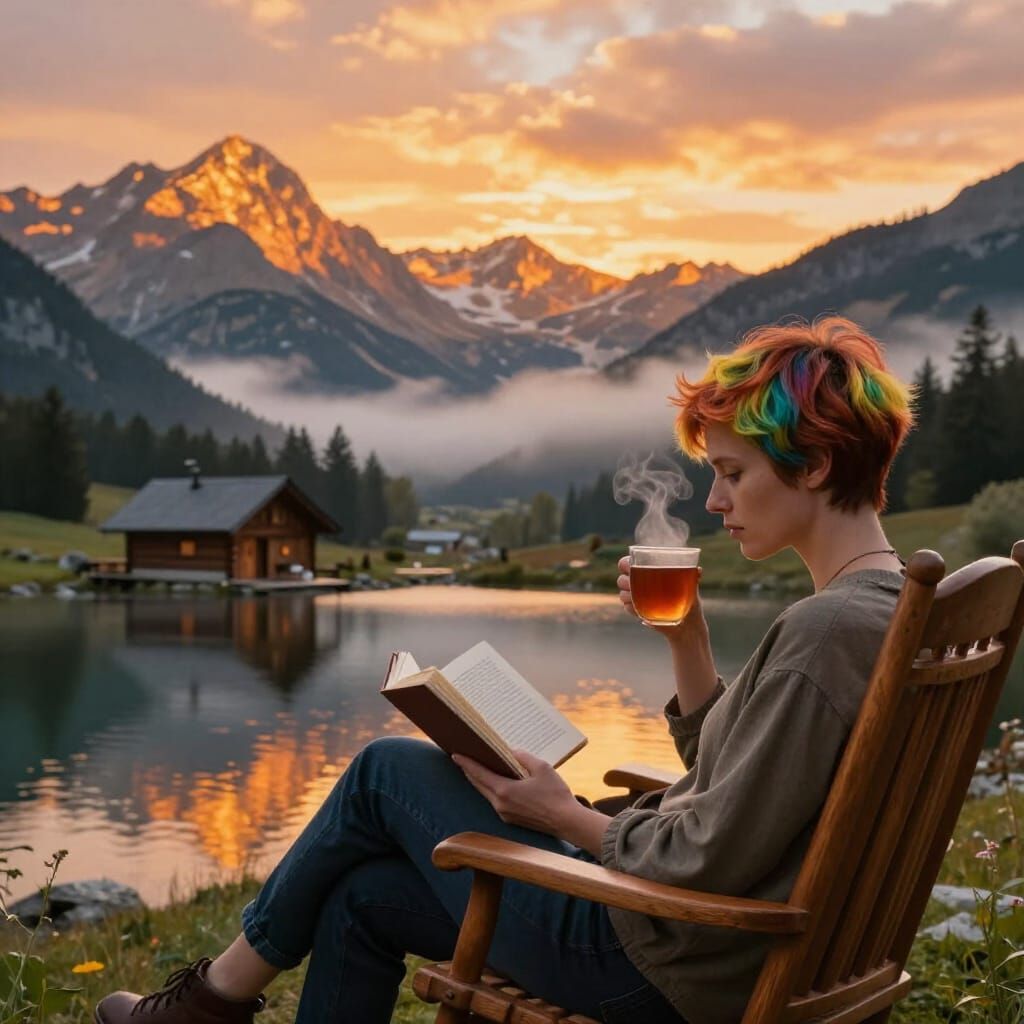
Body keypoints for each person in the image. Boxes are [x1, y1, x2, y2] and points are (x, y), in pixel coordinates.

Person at [94, 315, 913, 1024]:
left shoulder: (824, 630)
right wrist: (687, 642)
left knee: (384, 772)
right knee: (359, 898)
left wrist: (563, 816)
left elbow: (703, 856)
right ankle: (211, 1001)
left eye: (733, 474)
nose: (714, 502)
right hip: (732, 953)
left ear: (814, 465)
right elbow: (736, 779)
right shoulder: (887, 607)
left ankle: (213, 1000)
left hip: (663, 963)